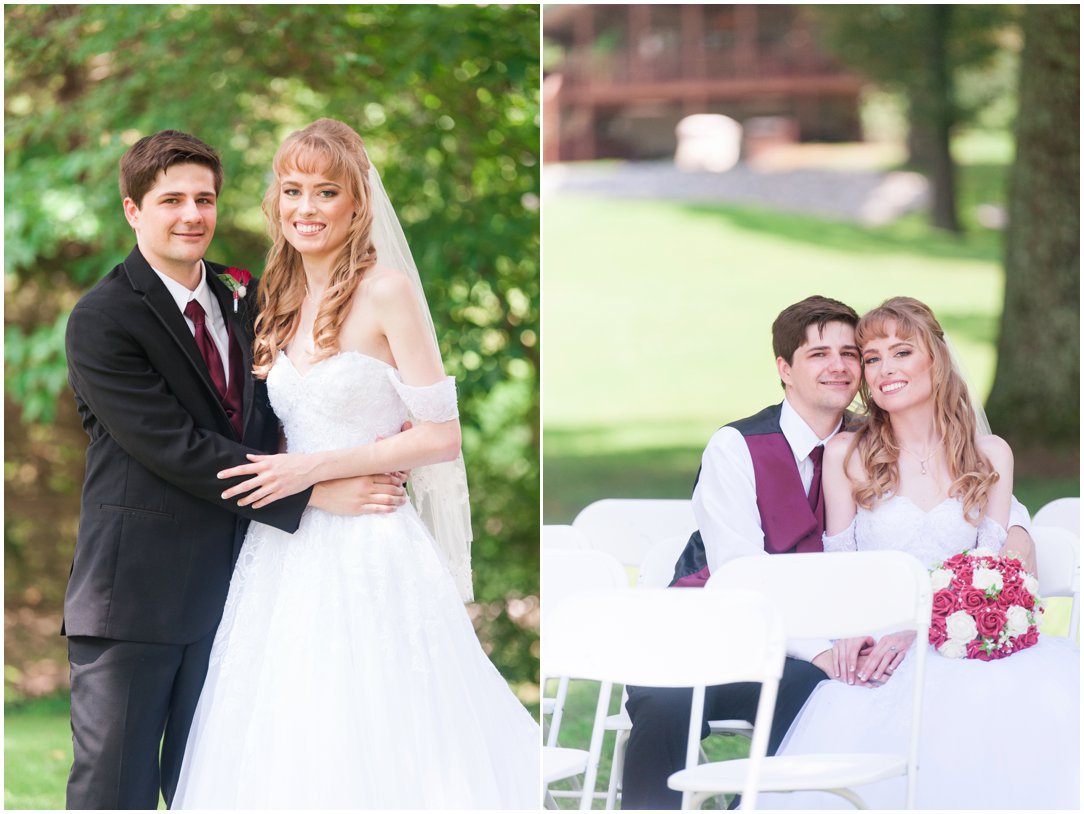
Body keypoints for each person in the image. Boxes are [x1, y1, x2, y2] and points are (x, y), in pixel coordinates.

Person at [171, 119, 539, 809]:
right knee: (281, 725)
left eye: (325, 192)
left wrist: (316, 469)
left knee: (379, 720)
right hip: (285, 550)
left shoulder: (387, 292)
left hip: (372, 543)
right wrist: (304, 483)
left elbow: (440, 436)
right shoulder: (270, 299)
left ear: (356, 204)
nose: (305, 208)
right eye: (292, 190)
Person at [63, 131, 406, 809]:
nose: (191, 214)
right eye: (171, 201)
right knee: (114, 792)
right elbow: (177, 448)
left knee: (219, 785)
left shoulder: (243, 299)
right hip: (134, 598)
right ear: (134, 211)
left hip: (237, 593)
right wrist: (311, 490)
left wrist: (365, 440)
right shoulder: (102, 320)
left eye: (204, 199)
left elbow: (271, 417)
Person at [621, 295, 1038, 810]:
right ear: (785, 369)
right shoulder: (736, 447)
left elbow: (984, 508)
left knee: (819, 698)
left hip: (821, 652)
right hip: (721, 634)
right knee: (666, 706)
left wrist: (1015, 541)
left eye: (849, 353)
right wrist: (823, 646)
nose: (839, 367)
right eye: (819, 354)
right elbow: (740, 574)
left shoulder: (881, 438)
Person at [764, 297, 1079, 809]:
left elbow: (992, 571)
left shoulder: (991, 455)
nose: (885, 369)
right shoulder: (847, 455)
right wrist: (851, 631)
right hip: (881, 650)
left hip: (969, 649)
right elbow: (841, 562)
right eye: (872, 358)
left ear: (934, 357)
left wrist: (923, 627)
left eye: (901, 352)